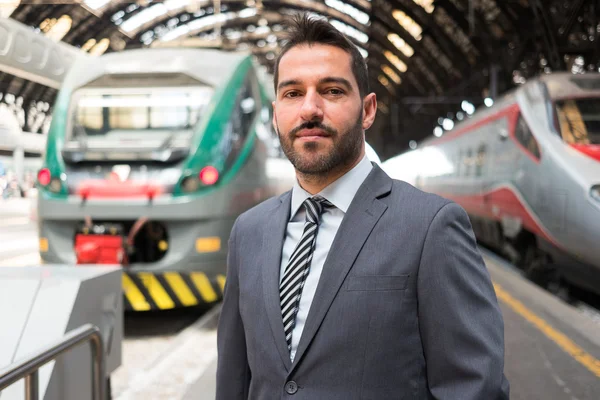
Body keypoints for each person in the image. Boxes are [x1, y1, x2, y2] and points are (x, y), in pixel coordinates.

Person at [217, 13, 509, 399]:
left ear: (368, 109)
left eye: (332, 90)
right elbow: (234, 380)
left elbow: (474, 388)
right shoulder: (248, 232)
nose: (309, 109)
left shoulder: (431, 227)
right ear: (275, 115)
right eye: (292, 93)